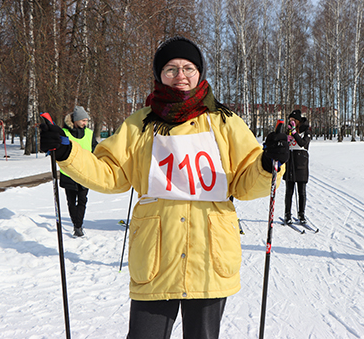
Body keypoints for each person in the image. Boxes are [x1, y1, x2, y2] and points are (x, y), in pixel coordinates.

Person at [40, 36, 289, 339]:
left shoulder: (226, 123)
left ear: (200, 73)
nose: (180, 76)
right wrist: (68, 153)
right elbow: (110, 174)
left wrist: (268, 164)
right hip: (155, 255)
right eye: (171, 69)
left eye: (188, 68)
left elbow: (247, 184)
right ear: (159, 75)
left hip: (210, 254)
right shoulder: (139, 124)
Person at [59, 106, 98, 237]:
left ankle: (78, 225)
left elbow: (95, 149)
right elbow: (60, 150)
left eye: (86, 120)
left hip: (85, 172)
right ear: (75, 120)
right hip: (69, 173)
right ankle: (77, 225)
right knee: (71, 201)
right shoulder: (64, 132)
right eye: (82, 120)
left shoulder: (89, 134)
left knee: (82, 200)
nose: (85, 123)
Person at [283, 109, 311, 225]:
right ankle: (287, 214)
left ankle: (301, 214)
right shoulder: (288, 131)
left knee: (301, 191)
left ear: (299, 121)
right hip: (290, 161)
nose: (291, 122)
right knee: (289, 191)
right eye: (290, 120)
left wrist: (294, 133)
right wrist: (286, 139)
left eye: (294, 120)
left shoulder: (306, 131)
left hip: (301, 162)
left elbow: (303, 143)